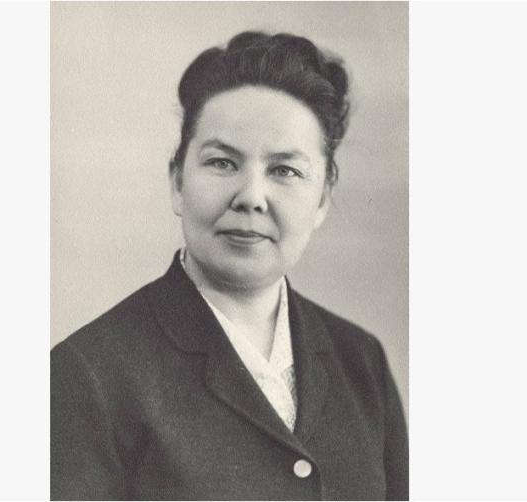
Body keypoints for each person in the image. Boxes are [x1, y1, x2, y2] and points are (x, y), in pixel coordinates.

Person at [51, 31, 408, 501]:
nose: (251, 197)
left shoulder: (361, 362)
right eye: (222, 163)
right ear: (178, 182)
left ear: (322, 198)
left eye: (284, 170)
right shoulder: (87, 375)